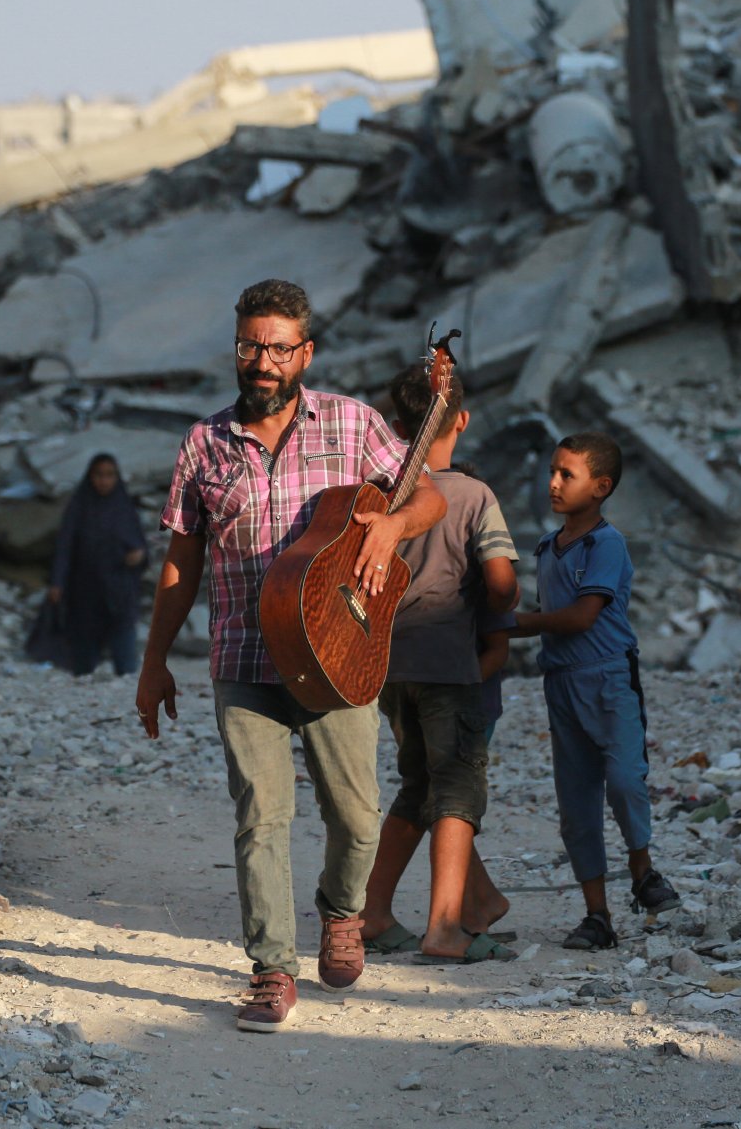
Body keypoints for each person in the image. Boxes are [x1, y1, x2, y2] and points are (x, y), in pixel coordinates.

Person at [135, 279, 447, 1034]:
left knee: (358, 815)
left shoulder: (351, 422)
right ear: (236, 347)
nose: (263, 361)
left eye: (279, 347)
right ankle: (272, 968)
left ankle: (341, 911)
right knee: (261, 818)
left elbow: (429, 495)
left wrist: (389, 528)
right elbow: (182, 561)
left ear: (305, 352)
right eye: (251, 345)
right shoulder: (203, 444)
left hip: (338, 651)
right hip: (244, 653)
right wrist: (154, 661)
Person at [359, 367, 520, 964]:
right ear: (464, 419)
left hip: (387, 664)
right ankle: (445, 927)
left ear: (398, 429)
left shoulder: (383, 496)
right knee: (457, 791)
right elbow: (501, 585)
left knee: (417, 788)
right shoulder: (475, 496)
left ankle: (372, 912)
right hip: (450, 663)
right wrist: (501, 601)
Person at [510, 432, 681, 951]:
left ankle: (643, 869)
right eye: (553, 472)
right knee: (576, 801)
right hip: (561, 682)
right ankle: (597, 915)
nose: (554, 483)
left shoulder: (606, 545)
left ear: (601, 487)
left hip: (607, 677)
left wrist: (516, 624)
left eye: (568, 475)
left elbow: (583, 616)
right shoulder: (546, 547)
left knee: (627, 779)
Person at [47, 453, 147, 676]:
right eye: (99, 475)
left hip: (119, 590)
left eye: (109, 475)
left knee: (125, 657)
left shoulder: (124, 508)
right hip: (85, 590)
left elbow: (140, 546)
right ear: (90, 477)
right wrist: (57, 582)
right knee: (84, 656)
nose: (104, 481)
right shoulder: (79, 507)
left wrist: (138, 556)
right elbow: (65, 546)